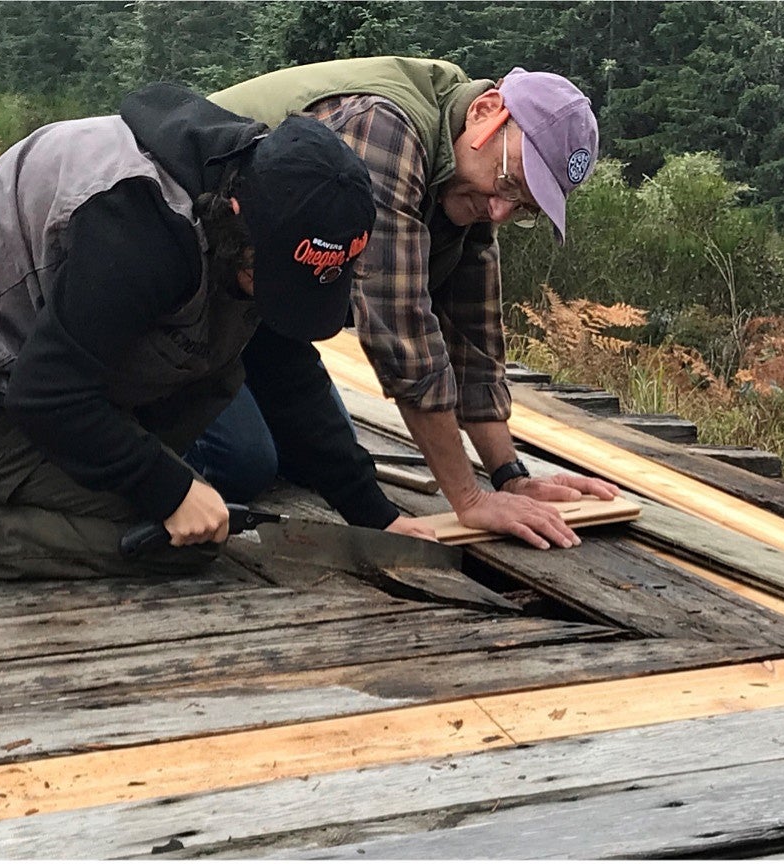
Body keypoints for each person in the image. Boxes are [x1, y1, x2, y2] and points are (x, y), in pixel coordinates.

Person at [0, 82, 432, 579]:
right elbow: (46, 392)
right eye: (267, 276)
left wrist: (372, 512)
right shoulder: (138, 226)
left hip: (50, 370)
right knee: (173, 542)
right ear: (234, 216)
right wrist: (166, 488)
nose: (269, 292)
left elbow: (288, 369)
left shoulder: (265, 194)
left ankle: (24, 482)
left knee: (216, 418)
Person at [204, 57, 621, 552]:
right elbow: (400, 330)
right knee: (244, 462)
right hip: (179, 291)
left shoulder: (470, 180)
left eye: (524, 207)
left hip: (265, 311)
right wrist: (467, 497)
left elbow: (473, 340)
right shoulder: (385, 129)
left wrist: (510, 476)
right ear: (487, 111)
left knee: (311, 459)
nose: (500, 210)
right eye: (509, 182)